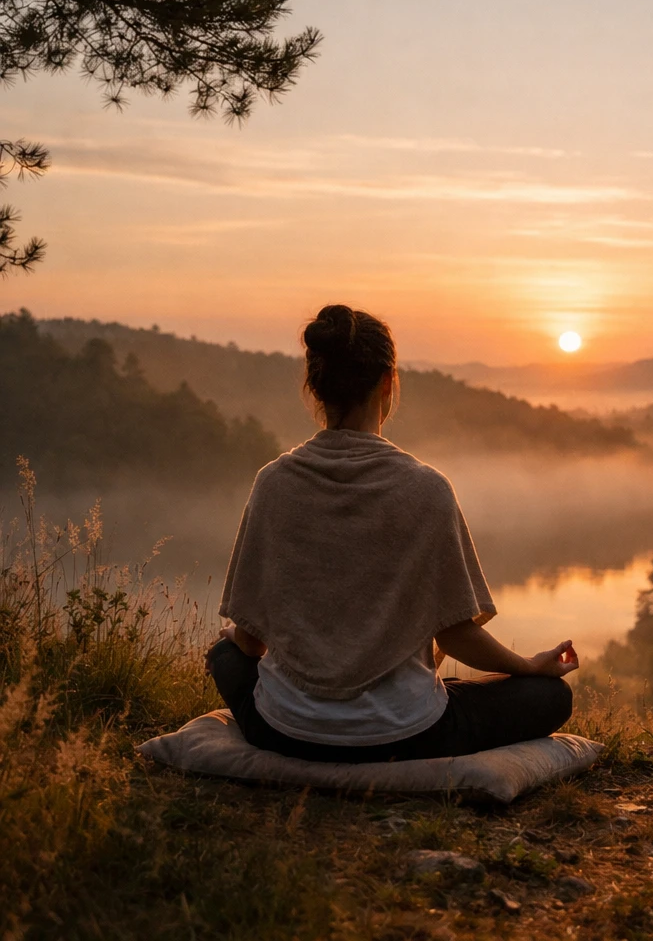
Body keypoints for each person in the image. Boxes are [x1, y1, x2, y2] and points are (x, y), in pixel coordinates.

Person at [205, 303, 578, 763]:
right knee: (550, 699)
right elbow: (457, 637)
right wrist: (528, 666)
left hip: (284, 731)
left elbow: (248, 641)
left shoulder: (274, 482)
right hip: (408, 737)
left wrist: (239, 642)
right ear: (388, 382)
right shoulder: (427, 489)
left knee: (223, 657)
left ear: (315, 386)